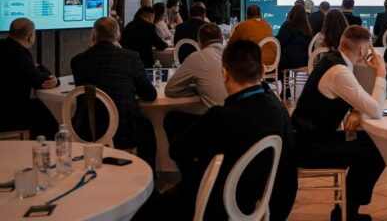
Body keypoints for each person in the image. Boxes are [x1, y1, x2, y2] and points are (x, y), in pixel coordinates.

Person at [139, 39, 297, 221]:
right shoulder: (278, 111)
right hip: (263, 204)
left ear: (224, 74)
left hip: (213, 205)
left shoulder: (220, 117)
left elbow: (176, 150)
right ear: (262, 70)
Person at [292, 26, 386, 221]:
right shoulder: (340, 72)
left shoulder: (332, 61)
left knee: (372, 143)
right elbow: (376, 110)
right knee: (376, 150)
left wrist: (356, 110)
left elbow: (356, 97)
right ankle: (348, 212)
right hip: (309, 147)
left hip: (307, 138)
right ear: (363, 50)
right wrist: (381, 73)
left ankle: (346, 209)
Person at [71, 17, 157, 165]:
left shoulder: (78, 61)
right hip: (124, 130)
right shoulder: (131, 58)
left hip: (89, 128)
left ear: (93, 35)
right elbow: (150, 95)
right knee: (148, 128)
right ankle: (147, 174)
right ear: (117, 35)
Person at [0, 18, 59, 138]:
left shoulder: (3, 45)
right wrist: (56, 81)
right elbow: (42, 81)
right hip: (9, 113)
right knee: (49, 117)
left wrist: (35, 67)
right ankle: (44, 147)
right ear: (31, 36)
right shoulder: (20, 54)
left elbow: (31, 71)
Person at [165, 23, 228, 118]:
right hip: (244, 120)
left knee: (171, 117)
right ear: (222, 39)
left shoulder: (197, 57)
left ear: (199, 43)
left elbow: (170, 89)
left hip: (217, 121)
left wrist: (198, 88)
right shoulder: (236, 55)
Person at [276, 4, 312, 75]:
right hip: (305, 61)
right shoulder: (307, 28)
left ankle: (278, 80)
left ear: (292, 13)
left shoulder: (288, 25)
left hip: (289, 62)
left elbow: (279, 42)